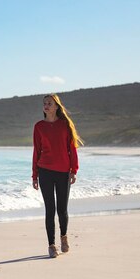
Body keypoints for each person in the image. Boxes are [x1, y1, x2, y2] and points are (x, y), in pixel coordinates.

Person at [32, 94, 84, 258]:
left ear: (56, 106)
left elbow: (72, 149)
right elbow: (36, 151)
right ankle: (51, 245)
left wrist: (73, 170)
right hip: (45, 171)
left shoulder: (65, 125)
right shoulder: (39, 126)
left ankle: (64, 236)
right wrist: (35, 175)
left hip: (63, 171)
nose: (46, 106)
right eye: (44, 103)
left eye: (49, 103)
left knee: (62, 209)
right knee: (50, 209)